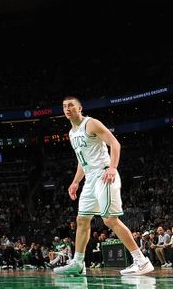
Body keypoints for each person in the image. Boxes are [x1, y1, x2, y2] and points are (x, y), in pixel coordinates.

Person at [53, 96, 153, 277]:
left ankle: (141, 261)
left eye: (70, 105)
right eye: (64, 106)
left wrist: (113, 168)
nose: (67, 109)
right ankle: (77, 263)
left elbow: (115, 143)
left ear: (80, 108)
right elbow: (81, 161)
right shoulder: (71, 132)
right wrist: (76, 181)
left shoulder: (91, 124)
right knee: (82, 220)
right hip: (90, 179)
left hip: (104, 174)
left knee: (109, 220)